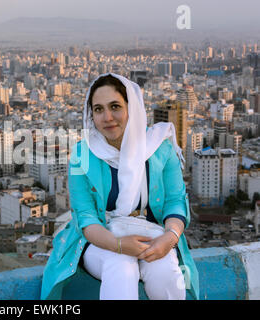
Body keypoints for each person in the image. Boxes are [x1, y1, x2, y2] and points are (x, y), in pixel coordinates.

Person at [40, 73, 199, 300]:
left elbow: (175, 201)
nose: (107, 117)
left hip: (154, 236)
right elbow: (85, 217)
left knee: (165, 272)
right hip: (101, 241)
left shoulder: (160, 148)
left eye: (115, 106)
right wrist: (119, 245)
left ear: (131, 108)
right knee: (122, 267)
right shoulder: (82, 155)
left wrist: (169, 238)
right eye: (98, 109)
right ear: (90, 115)